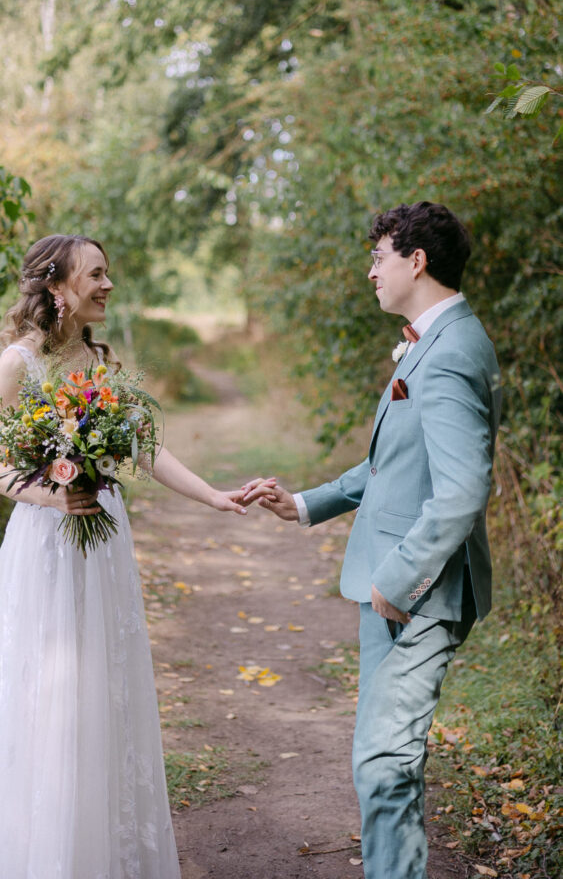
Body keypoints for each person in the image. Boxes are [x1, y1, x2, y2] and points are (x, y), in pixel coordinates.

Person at [0, 234, 248, 879]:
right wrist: (57, 496)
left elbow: (145, 449)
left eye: (108, 274)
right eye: (96, 275)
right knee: (46, 693)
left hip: (103, 542)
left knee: (102, 687)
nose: (107, 285)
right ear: (58, 285)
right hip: (45, 547)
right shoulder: (16, 366)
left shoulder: (100, 361)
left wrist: (213, 496)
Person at [241, 202, 501, 879]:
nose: (369, 272)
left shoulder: (446, 355)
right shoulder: (432, 340)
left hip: (417, 594)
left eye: (378, 257)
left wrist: (399, 579)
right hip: (397, 588)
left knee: (383, 766)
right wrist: (301, 504)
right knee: (383, 761)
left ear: (416, 261)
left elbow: (460, 491)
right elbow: (391, 466)